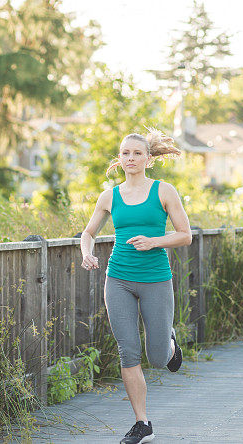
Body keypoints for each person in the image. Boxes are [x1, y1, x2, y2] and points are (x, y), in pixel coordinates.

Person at [79, 128, 192, 444]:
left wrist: (155, 241)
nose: (130, 158)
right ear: (120, 158)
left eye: (137, 153)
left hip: (156, 280)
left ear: (148, 159)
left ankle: (168, 343)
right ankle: (143, 424)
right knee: (128, 351)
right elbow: (87, 233)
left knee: (157, 359)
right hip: (118, 280)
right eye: (125, 153)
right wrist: (87, 254)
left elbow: (186, 235)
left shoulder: (163, 191)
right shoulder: (109, 196)